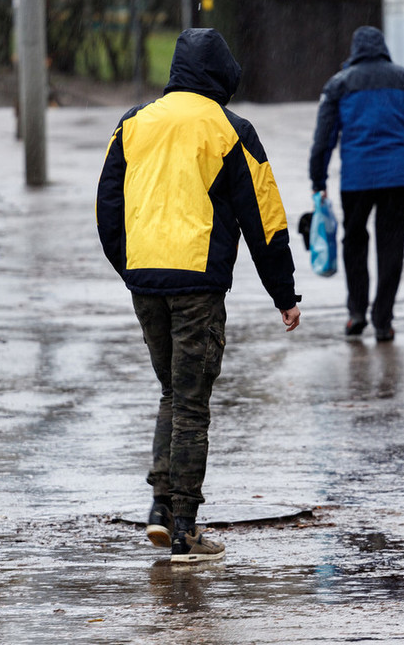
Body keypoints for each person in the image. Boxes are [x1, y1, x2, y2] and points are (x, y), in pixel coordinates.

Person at [96, 28, 302, 563]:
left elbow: (107, 207)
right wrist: (284, 292)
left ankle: (160, 510)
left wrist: (131, 267)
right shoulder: (229, 129)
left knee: (171, 392)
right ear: (221, 74)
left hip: (146, 279)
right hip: (196, 284)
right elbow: (266, 216)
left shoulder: (133, 123)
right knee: (191, 403)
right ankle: (184, 525)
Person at [308, 26, 404, 342]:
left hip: (357, 179)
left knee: (354, 241)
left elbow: (323, 139)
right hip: (398, 177)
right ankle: (383, 319)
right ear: (383, 48)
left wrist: (318, 179)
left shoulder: (339, 84)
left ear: (355, 51)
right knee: (391, 245)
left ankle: (356, 313)